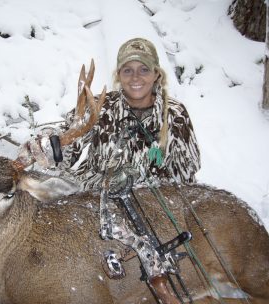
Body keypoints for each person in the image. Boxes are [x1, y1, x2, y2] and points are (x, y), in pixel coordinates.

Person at [20, 37, 201, 191]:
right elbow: (69, 143)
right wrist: (51, 145)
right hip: (93, 196)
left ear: (156, 74)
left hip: (150, 208)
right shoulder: (101, 106)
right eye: (127, 70)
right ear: (119, 75)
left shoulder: (175, 116)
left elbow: (186, 175)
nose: (135, 77)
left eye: (144, 69)